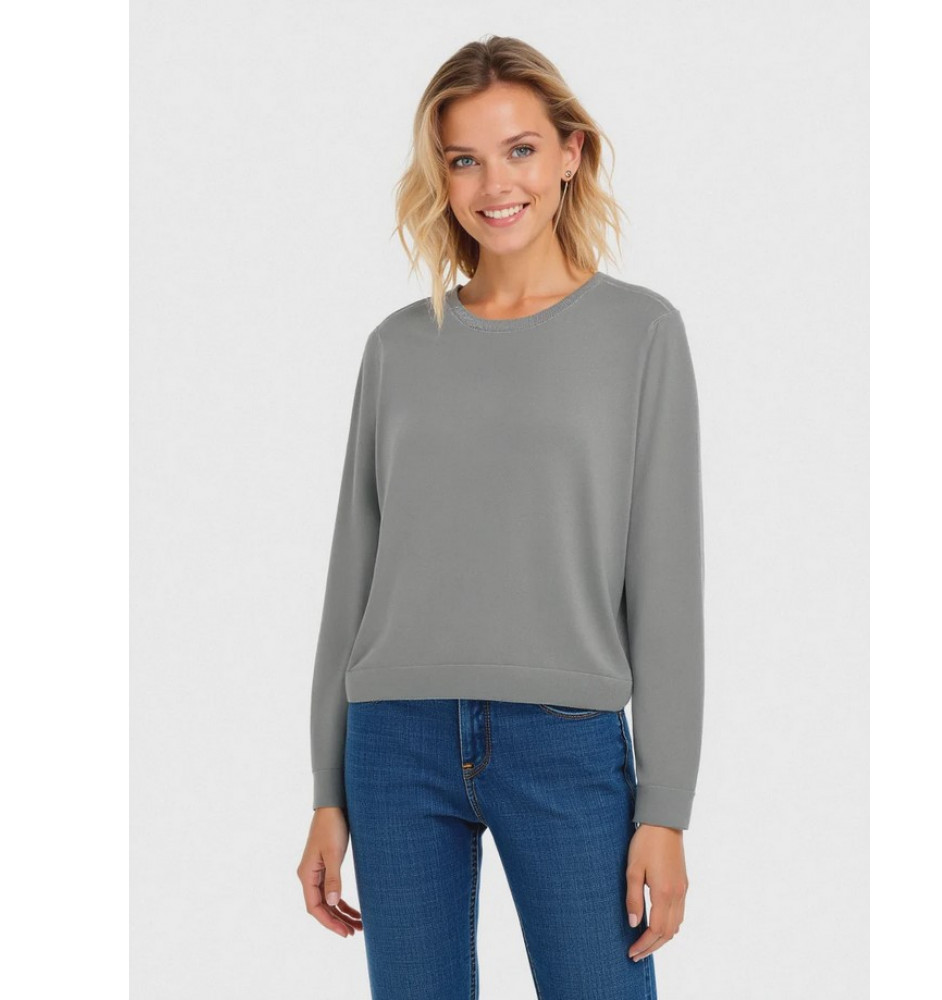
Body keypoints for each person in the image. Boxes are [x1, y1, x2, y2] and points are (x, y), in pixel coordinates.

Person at [296, 35, 705, 1000]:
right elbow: (353, 570)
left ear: (570, 152)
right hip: (394, 743)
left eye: (520, 149)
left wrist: (666, 807)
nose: (495, 184)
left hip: (565, 738)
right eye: (464, 159)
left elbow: (668, 581)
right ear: (440, 177)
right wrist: (326, 790)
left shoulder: (640, 332)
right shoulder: (398, 347)